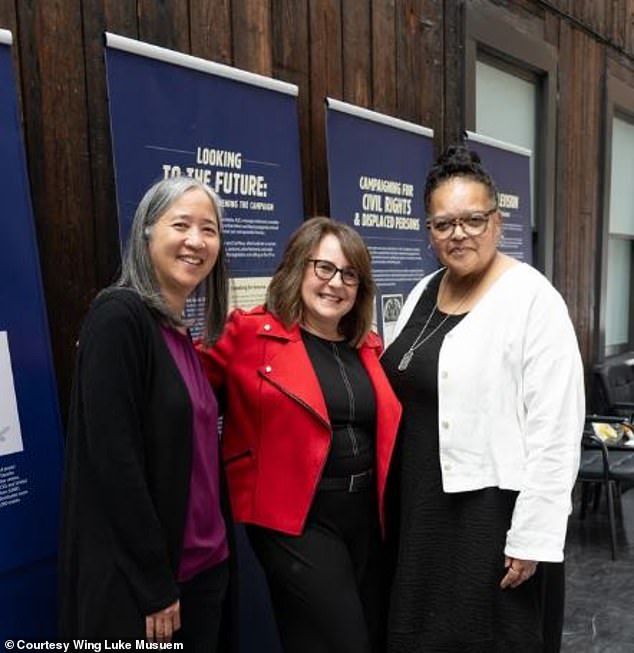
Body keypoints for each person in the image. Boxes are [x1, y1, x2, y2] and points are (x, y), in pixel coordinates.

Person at [381, 145, 585, 653]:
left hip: (491, 519)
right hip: (423, 509)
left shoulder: (533, 300)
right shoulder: (422, 291)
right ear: (429, 231)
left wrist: (531, 538)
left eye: (473, 219)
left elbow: (556, 432)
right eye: (444, 223)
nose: (459, 234)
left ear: (497, 221)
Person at [196, 217, 402, 653]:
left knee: (339, 636)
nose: (336, 284)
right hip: (295, 519)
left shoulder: (366, 344)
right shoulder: (249, 333)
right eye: (323, 268)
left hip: (365, 514)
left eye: (350, 274)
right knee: (348, 641)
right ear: (297, 269)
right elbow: (185, 390)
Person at [60, 176, 234, 651]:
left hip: (204, 573)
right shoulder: (118, 318)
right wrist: (154, 585)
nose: (196, 241)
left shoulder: (178, 332)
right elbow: (114, 465)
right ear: (146, 233)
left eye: (210, 229)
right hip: (150, 590)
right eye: (181, 224)